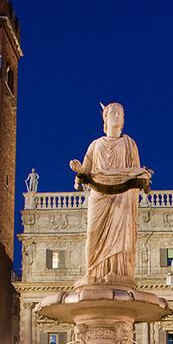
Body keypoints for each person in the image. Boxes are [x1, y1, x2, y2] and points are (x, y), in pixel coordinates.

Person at [69, 103, 152, 287]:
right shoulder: (95, 145)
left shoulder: (129, 144)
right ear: (105, 118)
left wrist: (142, 176)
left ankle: (119, 272)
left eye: (120, 113)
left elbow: (136, 172)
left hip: (123, 196)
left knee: (121, 237)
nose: (116, 115)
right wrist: (79, 170)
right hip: (99, 194)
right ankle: (92, 272)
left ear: (123, 121)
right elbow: (85, 173)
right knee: (93, 234)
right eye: (112, 112)